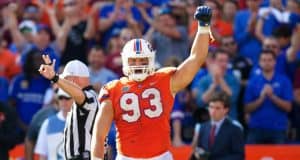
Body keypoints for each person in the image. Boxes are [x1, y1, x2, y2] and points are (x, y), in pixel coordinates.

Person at [91, 5, 212, 160]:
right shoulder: (113, 89)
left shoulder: (163, 79)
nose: (138, 64)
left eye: (142, 60)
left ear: (151, 60)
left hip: (160, 156)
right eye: (133, 60)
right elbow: (99, 133)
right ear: (125, 61)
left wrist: (203, 28)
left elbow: (196, 59)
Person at [38, 57, 100, 160]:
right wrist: (54, 77)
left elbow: (81, 96)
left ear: (73, 80)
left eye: (66, 80)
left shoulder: (90, 97)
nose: (64, 85)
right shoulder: (90, 96)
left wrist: (55, 77)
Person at [244, 50, 293, 144]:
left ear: (275, 62)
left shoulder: (284, 80)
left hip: (278, 129)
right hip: (256, 128)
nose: (266, 63)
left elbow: (288, 107)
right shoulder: (252, 82)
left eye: (269, 60)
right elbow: (246, 108)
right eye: (264, 60)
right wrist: (261, 98)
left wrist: (272, 96)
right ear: (259, 62)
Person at [190, 91, 245, 160]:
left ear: (226, 110)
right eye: (211, 107)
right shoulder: (202, 127)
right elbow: (198, 150)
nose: (213, 111)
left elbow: (239, 156)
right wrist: (197, 153)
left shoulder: (235, 129)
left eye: (217, 108)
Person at [35, 89, 73, 160]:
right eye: (61, 98)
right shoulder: (47, 123)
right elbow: (43, 155)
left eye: (67, 98)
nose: (64, 101)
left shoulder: (81, 122)